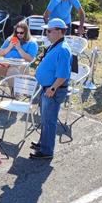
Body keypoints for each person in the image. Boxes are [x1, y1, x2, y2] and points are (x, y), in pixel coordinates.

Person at [30, 19, 72, 160]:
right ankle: (43, 143)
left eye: (49, 31)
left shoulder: (63, 50)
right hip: (47, 88)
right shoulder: (55, 45)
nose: (46, 33)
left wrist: (53, 88)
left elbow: (63, 74)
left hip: (53, 90)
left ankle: (47, 151)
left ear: (59, 31)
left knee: (49, 120)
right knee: (45, 119)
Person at [0, 20, 38, 103]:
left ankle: (14, 95)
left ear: (26, 32)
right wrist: (10, 47)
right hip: (5, 64)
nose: (19, 35)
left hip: (19, 67)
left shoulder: (32, 43)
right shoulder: (10, 39)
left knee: (12, 71)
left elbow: (30, 59)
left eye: (21, 33)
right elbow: (0, 53)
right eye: (17, 32)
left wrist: (19, 48)